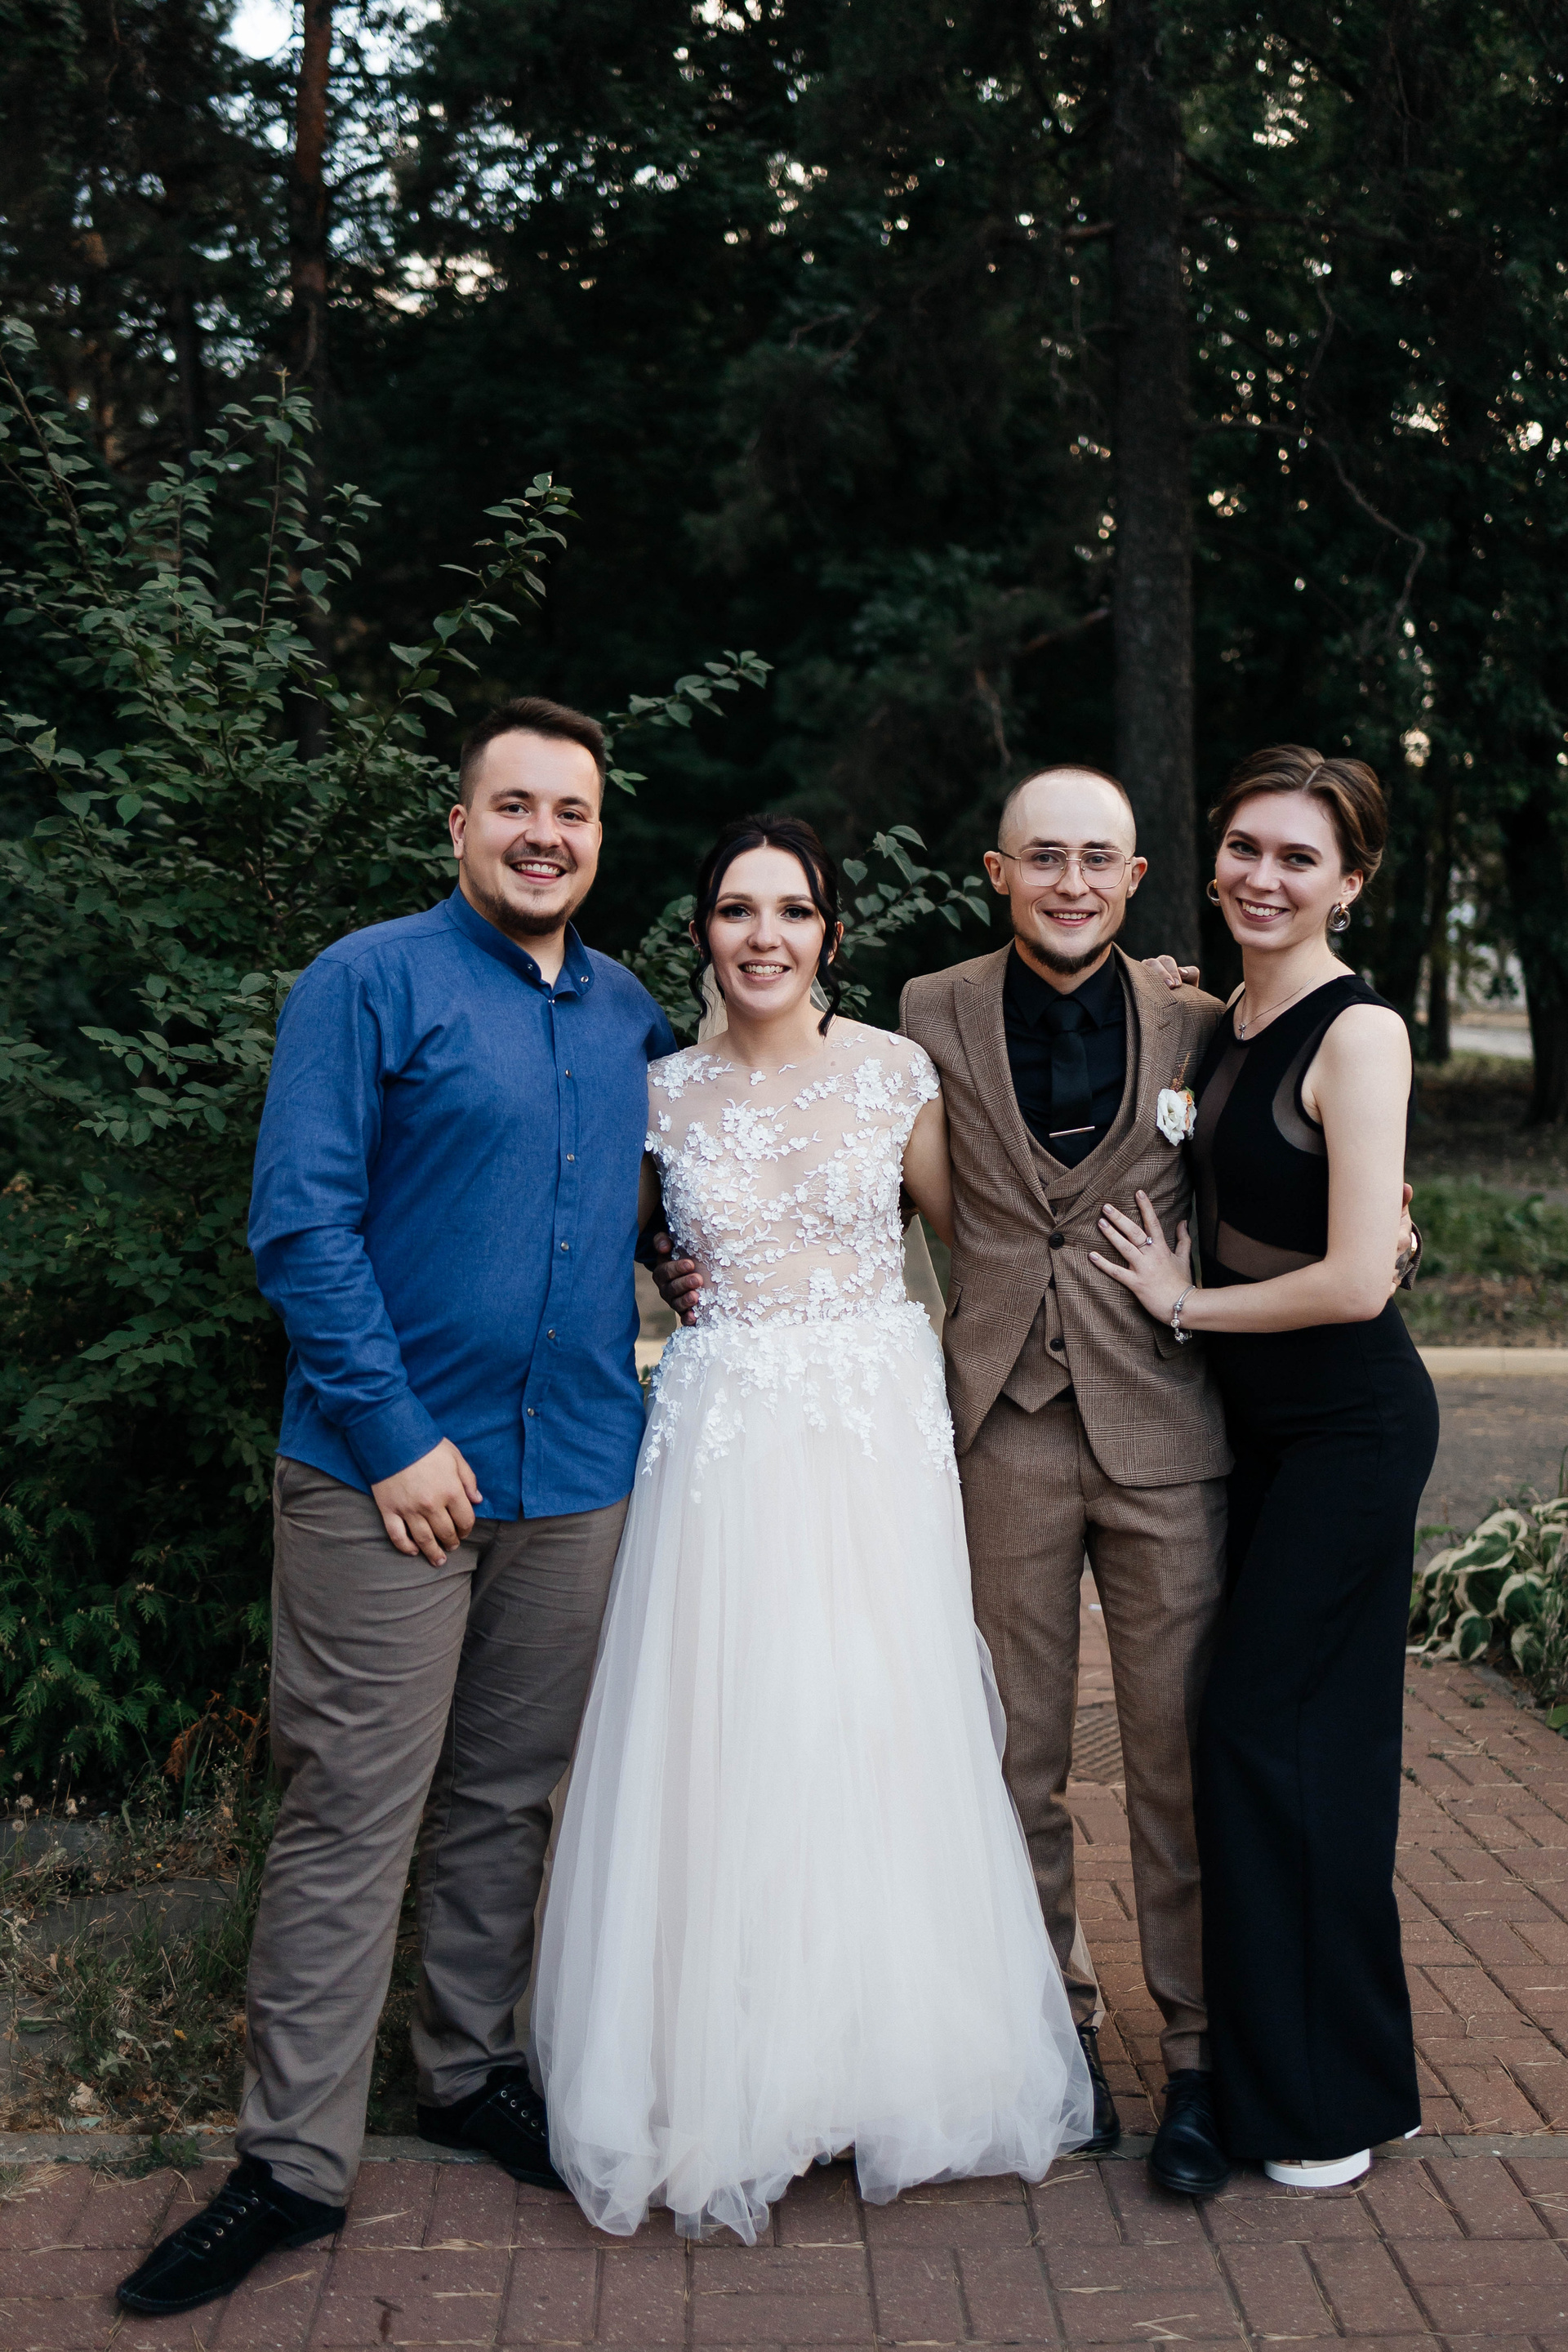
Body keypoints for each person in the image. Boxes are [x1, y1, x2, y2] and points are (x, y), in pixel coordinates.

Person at [118, 697, 676, 2319]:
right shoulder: (367, 982)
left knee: (508, 1796)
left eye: (571, 812)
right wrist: (393, 1434)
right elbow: (300, 1225)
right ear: (460, 824)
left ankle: (468, 2071)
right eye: (516, 806)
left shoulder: (632, 1014)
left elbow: (674, 1203)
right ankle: (292, 2161)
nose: (544, 835)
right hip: (388, 1479)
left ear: (598, 836)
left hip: (576, 1471)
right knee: (354, 1804)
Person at [532, 814, 1094, 2244]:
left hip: (872, 1439)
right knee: (730, 1730)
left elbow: (991, 1243)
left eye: (792, 910)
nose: (764, 936)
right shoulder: (659, 1094)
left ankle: (884, 2059)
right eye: (738, 910)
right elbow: (618, 1244)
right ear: (702, 934)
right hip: (725, 1440)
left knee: (874, 1722)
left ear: (831, 934)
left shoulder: (896, 1072)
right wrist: (668, 1264)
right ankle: (734, 2061)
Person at [1090, 745, 1437, 2190]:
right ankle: (1346, 2076)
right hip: (1262, 1435)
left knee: (1265, 1733)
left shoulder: (1361, 1034)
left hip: (1349, 1428)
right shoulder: (1221, 1017)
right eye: (1245, 847)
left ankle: (1319, 2111)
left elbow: (1357, 1277)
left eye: (1300, 858)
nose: (1263, 876)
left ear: (1351, 884)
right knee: (1309, 1747)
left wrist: (1185, 1306)